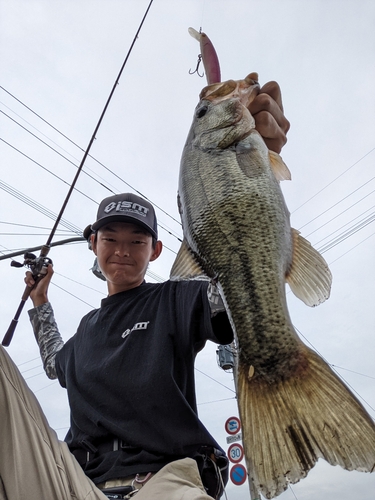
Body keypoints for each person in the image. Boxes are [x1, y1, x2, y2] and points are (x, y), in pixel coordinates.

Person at [0, 81, 289, 500]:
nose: (121, 251)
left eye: (136, 241)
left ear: (154, 251)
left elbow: (233, 289)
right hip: (76, 483)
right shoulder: (87, 331)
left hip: (166, 481)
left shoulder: (176, 299)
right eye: (110, 239)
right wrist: (41, 300)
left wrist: (254, 174)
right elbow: (54, 365)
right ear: (93, 245)